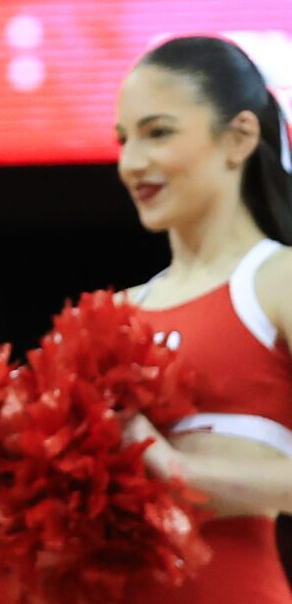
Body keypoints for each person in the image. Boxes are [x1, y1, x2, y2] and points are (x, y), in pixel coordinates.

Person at [118, 36, 292, 601]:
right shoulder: (118, 313)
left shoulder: (277, 280)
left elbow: (168, 475)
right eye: (122, 140)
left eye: (157, 132)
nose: (130, 163)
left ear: (239, 137)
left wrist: (180, 475)